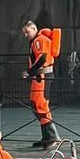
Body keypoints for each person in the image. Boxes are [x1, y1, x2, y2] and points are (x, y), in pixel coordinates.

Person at [21, 19, 61, 148]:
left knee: (40, 104)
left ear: (34, 29)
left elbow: (42, 57)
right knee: (36, 103)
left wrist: (29, 71)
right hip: (39, 75)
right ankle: (46, 137)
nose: (25, 35)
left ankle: (52, 136)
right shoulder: (38, 40)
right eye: (24, 33)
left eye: (27, 32)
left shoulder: (39, 40)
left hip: (41, 75)